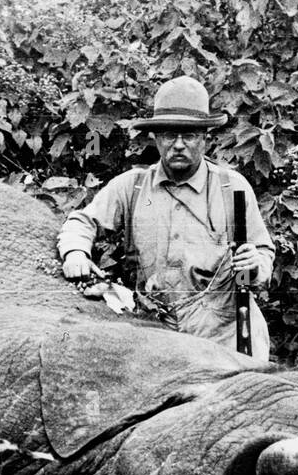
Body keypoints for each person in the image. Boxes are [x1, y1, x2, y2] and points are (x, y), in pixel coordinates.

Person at [57, 75, 274, 361]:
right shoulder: (132, 186)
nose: (179, 144)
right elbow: (82, 222)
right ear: (157, 138)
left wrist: (256, 265)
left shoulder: (230, 187)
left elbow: (263, 254)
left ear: (205, 139)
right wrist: (75, 253)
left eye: (190, 135)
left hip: (226, 336)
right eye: (170, 134)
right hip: (159, 339)